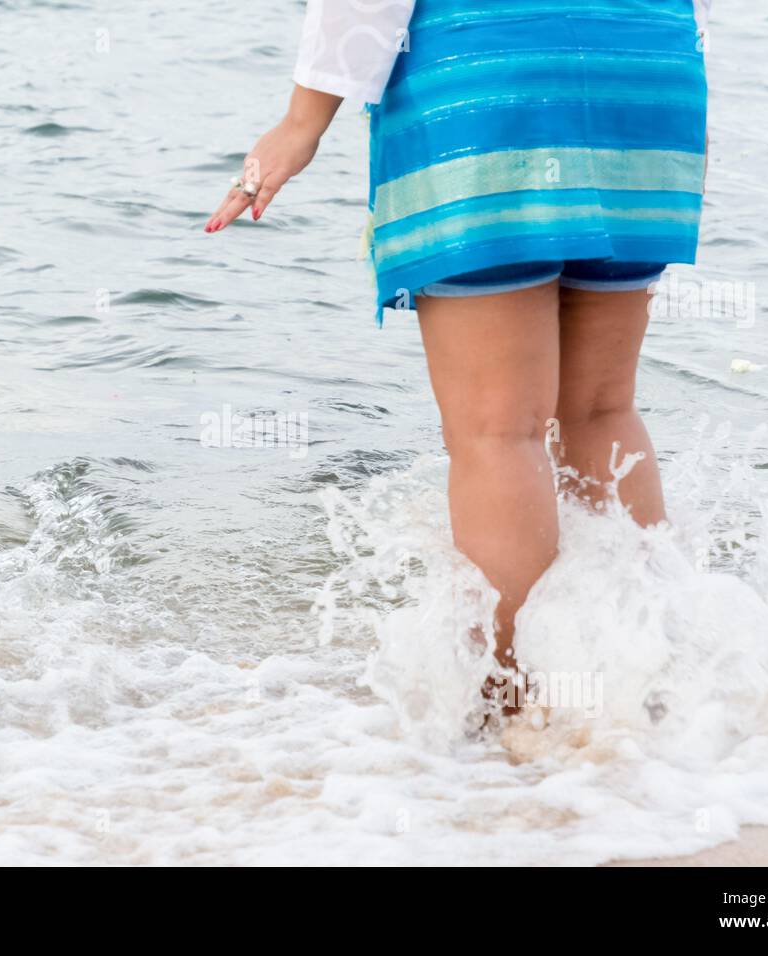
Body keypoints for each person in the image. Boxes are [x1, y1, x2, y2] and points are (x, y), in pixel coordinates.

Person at [205, 1, 711, 675]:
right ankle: (643, 678)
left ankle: (516, 708)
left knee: (500, 431)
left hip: (489, 72)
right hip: (648, 71)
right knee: (602, 409)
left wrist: (303, 121)